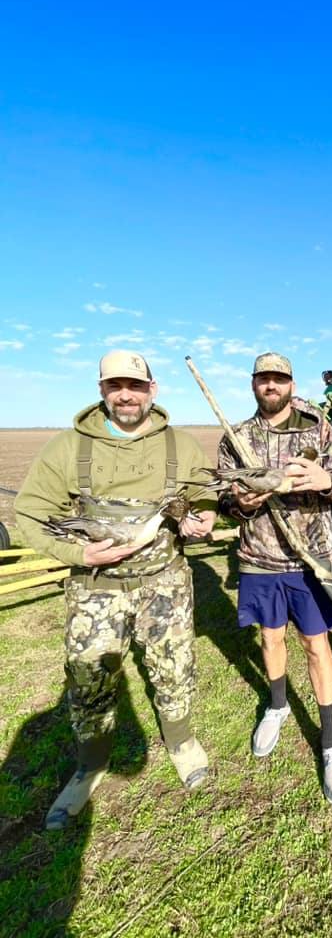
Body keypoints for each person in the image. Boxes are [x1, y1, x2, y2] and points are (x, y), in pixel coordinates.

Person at [14, 350, 218, 830]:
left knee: (174, 668)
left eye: (135, 386)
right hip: (95, 588)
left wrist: (204, 516)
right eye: (115, 386)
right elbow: (30, 514)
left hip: (165, 583)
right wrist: (79, 555)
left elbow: (205, 493)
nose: (126, 395)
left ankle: (181, 742)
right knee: (90, 680)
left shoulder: (180, 445)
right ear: (102, 390)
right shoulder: (69, 448)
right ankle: (90, 766)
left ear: (152, 390)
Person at [216, 352, 332, 805]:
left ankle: (330, 741)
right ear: (254, 384)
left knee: (316, 644)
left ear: (292, 384)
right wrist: (242, 504)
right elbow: (224, 499)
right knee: (270, 637)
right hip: (259, 558)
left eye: (279, 378)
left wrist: (323, 480)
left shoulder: (316, 427)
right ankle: (277, 706)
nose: (271, 385)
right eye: (264, 379)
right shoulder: (237, 437)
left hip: (309, 559)